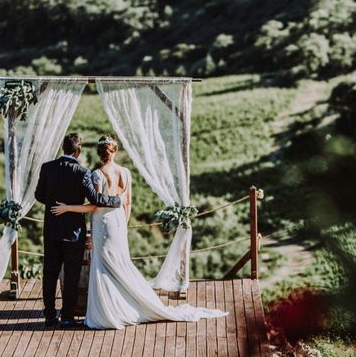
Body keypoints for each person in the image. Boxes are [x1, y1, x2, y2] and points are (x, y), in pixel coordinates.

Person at [50, 135, 226, 329]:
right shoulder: (125, 173)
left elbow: (95, 205)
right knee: (120, 263)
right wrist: (123, 225)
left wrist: (68, 207)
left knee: (103, 266)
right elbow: (128, 202)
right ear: (114, 151)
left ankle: (108, 312)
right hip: (118, 222)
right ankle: (126, 306)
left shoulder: (96, 174)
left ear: (99, 153)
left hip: (103, 223)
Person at [35, 132, 123, 328]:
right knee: (72, 274)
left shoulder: (47, 168)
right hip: (73, 232)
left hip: (51, 230)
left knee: (49, 272)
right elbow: (96, 200)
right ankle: (67, 317)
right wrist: (118, 200)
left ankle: (49, 315)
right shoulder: (82, 173)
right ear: (79, 150)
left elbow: (39, 195)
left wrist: (54, 203)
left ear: (63, 148)